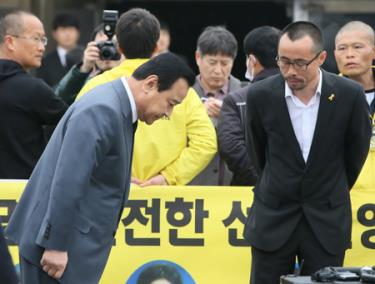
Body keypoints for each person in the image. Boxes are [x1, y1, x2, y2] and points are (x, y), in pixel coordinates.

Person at [5, 52, 195, 284]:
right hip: (54, 254)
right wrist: (55, 245)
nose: (168, 113)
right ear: (151, 84)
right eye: (171, 103)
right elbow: (68, 181)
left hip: (69, 250)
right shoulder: (103, 110)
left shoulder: (115, 105)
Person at [243, 21, 372, 284]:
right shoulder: (260, 95)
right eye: (284, 61)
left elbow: (355, 154)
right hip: (274, 216)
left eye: (300, 63)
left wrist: (327, 186)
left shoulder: (349, 95)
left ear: (321, 57)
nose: (291, 71)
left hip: (326, 218)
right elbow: (258, 153)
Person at [77, 8, 217, 186]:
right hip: (163, 203)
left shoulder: (95, 86)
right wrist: (168, 177)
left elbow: (79, 145)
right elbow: (206, 143)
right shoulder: (181, 89)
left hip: (109, 192)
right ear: (157, 46)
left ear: (118, 46)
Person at [0, 11, 68, 179]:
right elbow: (77, 124)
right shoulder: (31, 89)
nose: (42, 47)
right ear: (10, 42)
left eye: (43, 40)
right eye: (36, 38)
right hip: (23, 196)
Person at [217, 26, 280, 186]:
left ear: (251, 61)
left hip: (250, 195)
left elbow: (231, 148)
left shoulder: (236, 99)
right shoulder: (301, 94)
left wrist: (263, 182)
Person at [190, 25, 242, 185]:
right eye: (212, 62)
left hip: (235, 191)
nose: (218, 70)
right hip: (191, 193)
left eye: (225, 63)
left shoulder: (246, 94)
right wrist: (196, 113)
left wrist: (229, 116)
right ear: (198, 57)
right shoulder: (183, 94)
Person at [334, 21, 375, 190]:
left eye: (357, 47)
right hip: (343, 196)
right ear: (334, 54)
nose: (349, 54)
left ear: (373, 51)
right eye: (342, 49)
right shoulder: (325, 95)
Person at [55, 23, 123, 105]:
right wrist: (84, 68)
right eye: (101, 45)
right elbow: (60, 100)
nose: (108, 50)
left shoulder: (133, 77)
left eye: (113, 45)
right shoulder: (87, 80)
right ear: (92, 48)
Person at [36, 13, 82, 87]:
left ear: (78, 32)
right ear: (54, 34)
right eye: (63, 30)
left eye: (71, 29)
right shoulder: (45, 62)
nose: (67, 34)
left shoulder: (87, 57)